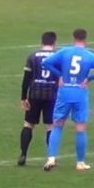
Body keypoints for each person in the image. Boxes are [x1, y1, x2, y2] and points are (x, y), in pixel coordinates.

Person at [42, 29, 94, 172]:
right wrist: (90, 78)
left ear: (73, 38)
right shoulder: (90, 56)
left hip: (65, 91)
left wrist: (60, 75)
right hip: (80, 92)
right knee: (80, 128)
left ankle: (51, 158)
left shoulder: (65, 52)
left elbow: (47, 62)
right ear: (86, 39)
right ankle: (80, 163)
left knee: (57, 125)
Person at [18, 31, 60, 166]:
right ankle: (51, 157)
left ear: (41, 42)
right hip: (52, 95)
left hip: (35, 94)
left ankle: (23, 154)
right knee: (50, 127)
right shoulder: (58, 57)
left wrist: (24, 97)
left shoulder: (32, 56)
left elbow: (26, 79)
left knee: (28, 124)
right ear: (54, 43)